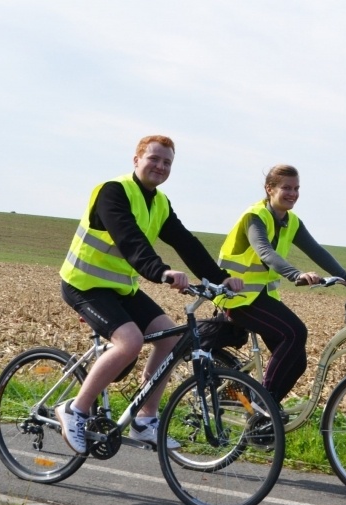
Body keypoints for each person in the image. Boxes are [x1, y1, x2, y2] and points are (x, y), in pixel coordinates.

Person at [56, 134, 243, 455]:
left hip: (121, 289)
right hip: (84, 284)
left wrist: (220, 279)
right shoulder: (113, 192)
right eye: (154, 159)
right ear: (136, 160)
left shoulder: (159, 203)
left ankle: (145, 419)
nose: (160, 166)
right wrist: (162, 272)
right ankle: (75, 409)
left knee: (171, 339)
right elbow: (129, 240)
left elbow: (186, 242)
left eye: (167, 162)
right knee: (129, 342)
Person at [216, 164, 346, 408]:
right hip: (237, 295)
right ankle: (263, 407)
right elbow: (265, 251)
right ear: (269, 189)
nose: (293, 193)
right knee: (295, 332)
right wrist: (296, 274)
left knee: (297, 362)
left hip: (261, 296)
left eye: (296, 188)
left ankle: (259, 412)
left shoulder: (291, 222)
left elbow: (316, 251)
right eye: (286, 188)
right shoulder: (255, 217)